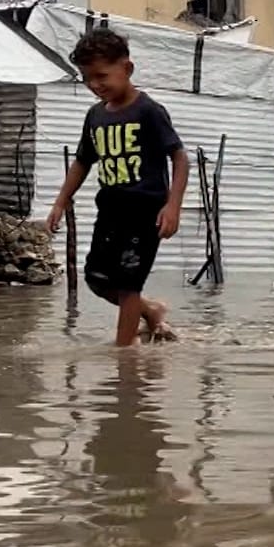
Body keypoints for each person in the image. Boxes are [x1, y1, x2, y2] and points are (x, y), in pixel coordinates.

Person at [47, 28, 190, 346]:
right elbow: (83, 161)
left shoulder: (149, 111)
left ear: (127, 69)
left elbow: (180, 159)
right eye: (87, 79)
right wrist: (61, 201)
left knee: (128, 285)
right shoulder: (95, 116)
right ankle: (151, 311)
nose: (95, 85)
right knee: (97, 279)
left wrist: (173, 205)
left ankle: (124, 358)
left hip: (145, 212)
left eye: (101, 76)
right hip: (110, 211)